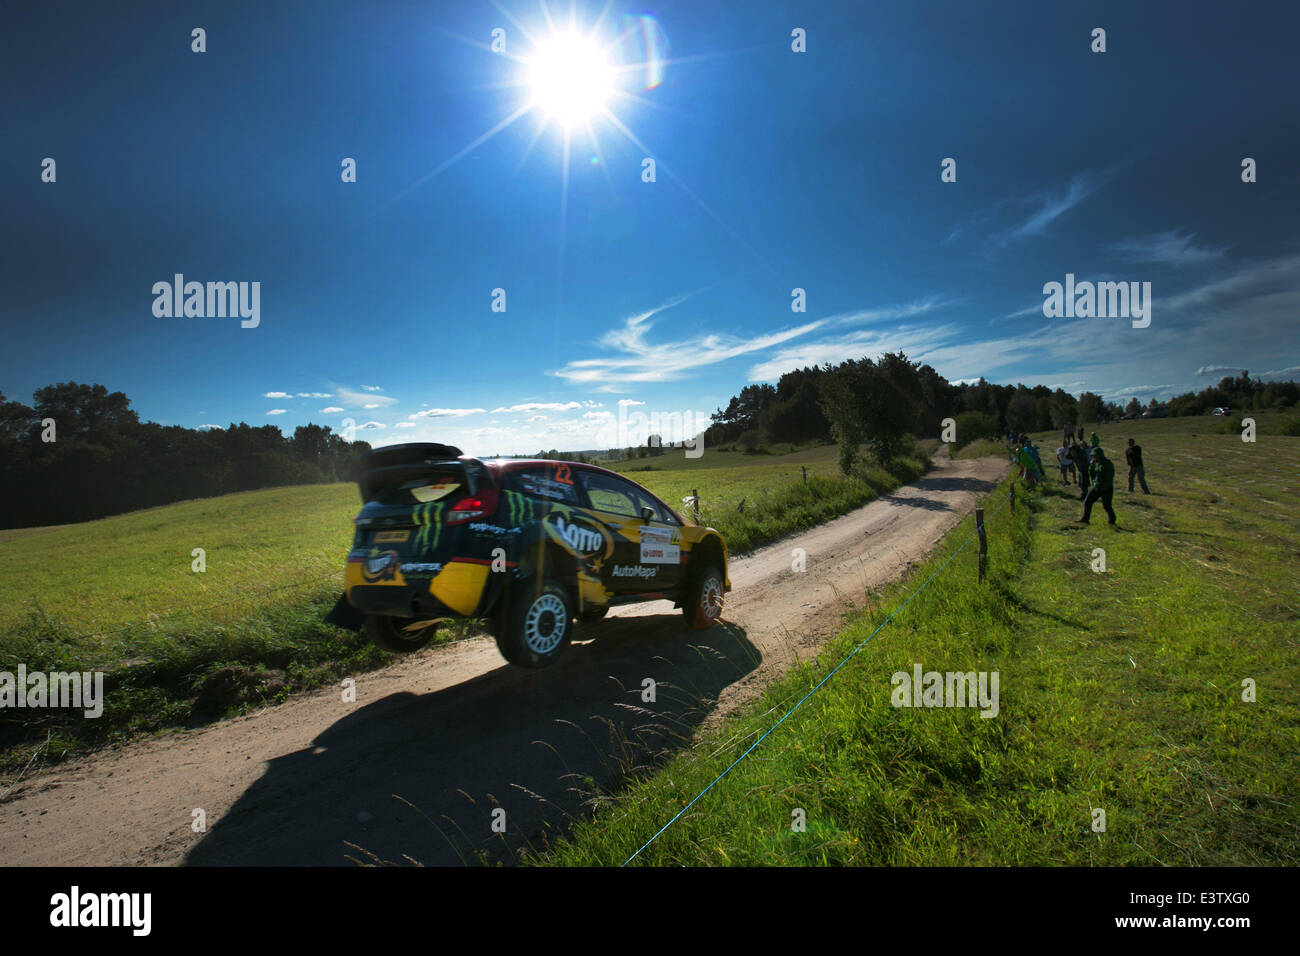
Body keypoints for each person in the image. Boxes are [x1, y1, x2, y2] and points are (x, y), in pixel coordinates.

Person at [1078, 446, 1116, 525]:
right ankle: (1085, 519)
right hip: (1097, 487)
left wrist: (1104, 487)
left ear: (1100, 455)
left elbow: (1109, 477)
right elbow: (1091, 475)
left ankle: (1112, 521)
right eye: (1093, 456)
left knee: (1107, 506)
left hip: (1106, 488)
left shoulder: (1107, 464)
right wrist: (1091, 467)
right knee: (1087, 501)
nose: (1093, 457)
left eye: (1094, 456)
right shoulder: (1095, 463)